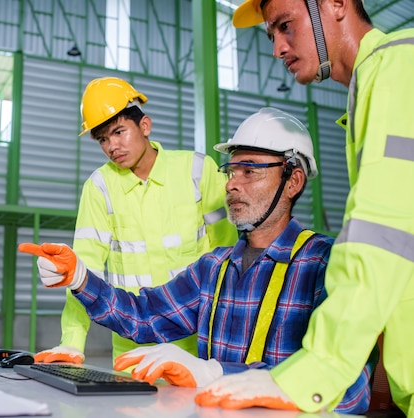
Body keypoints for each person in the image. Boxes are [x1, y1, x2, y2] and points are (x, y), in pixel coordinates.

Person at [20, 107, 376, 415]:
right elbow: (144, 317)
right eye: (232, 170)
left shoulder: (326, 263)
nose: (232, 185)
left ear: (293, 180)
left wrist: (218, 372)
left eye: (249, 171)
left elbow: (350, 389)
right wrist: (81, 278)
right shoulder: (214, 269)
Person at [195, 0, 414, 416]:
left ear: (335, 4)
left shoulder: (396, 68)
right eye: (271, 34)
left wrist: (312, 374)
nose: (278, 48)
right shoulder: (376, 84)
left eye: (285, 25)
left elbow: (380, 236)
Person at [33, 77, 238, 365]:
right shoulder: (100, 187)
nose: (111, 146)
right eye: (103, 139)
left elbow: (228, 255)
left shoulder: (197, 170)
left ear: (145, 126)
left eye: (118, 132)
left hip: (197, 349)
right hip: (133, 349)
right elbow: (81, 269)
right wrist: (72, 340)